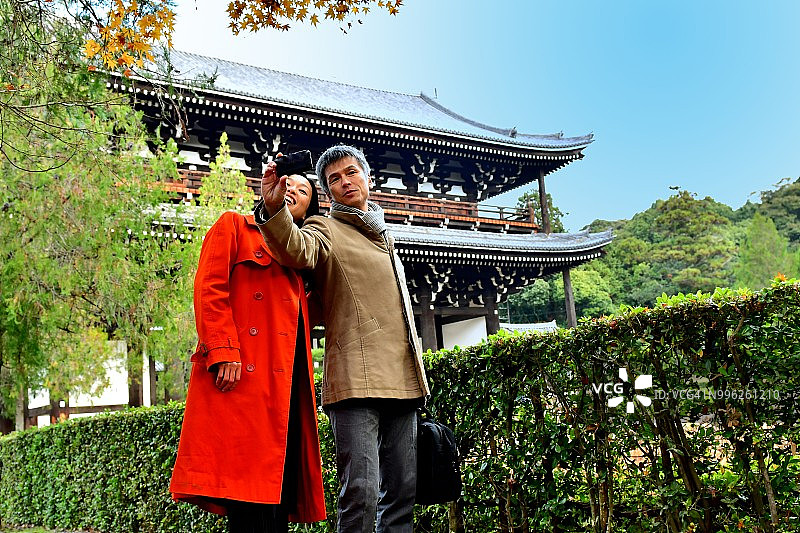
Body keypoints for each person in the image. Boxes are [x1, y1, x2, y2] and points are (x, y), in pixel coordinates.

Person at [255, 144, 430, 533]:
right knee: (361, 494)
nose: (345, 182)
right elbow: (297, 249)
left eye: (351, 172)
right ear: (328, 191)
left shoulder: (385, 235)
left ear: (368, 178)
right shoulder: (325, 228)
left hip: (402, 378)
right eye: (334, 179)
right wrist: (273, 209)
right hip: (354, 380)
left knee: (403, 493)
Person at [170, 174, 326, 533]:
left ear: (308, 212)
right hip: (245, 380)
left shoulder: (303, 259)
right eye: (289, 184)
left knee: (279, 493)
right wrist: (223, 349)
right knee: (250, 496)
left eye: (303, 191)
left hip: (287, 389)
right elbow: (209, 286)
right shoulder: (235, 226)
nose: (293, 191)